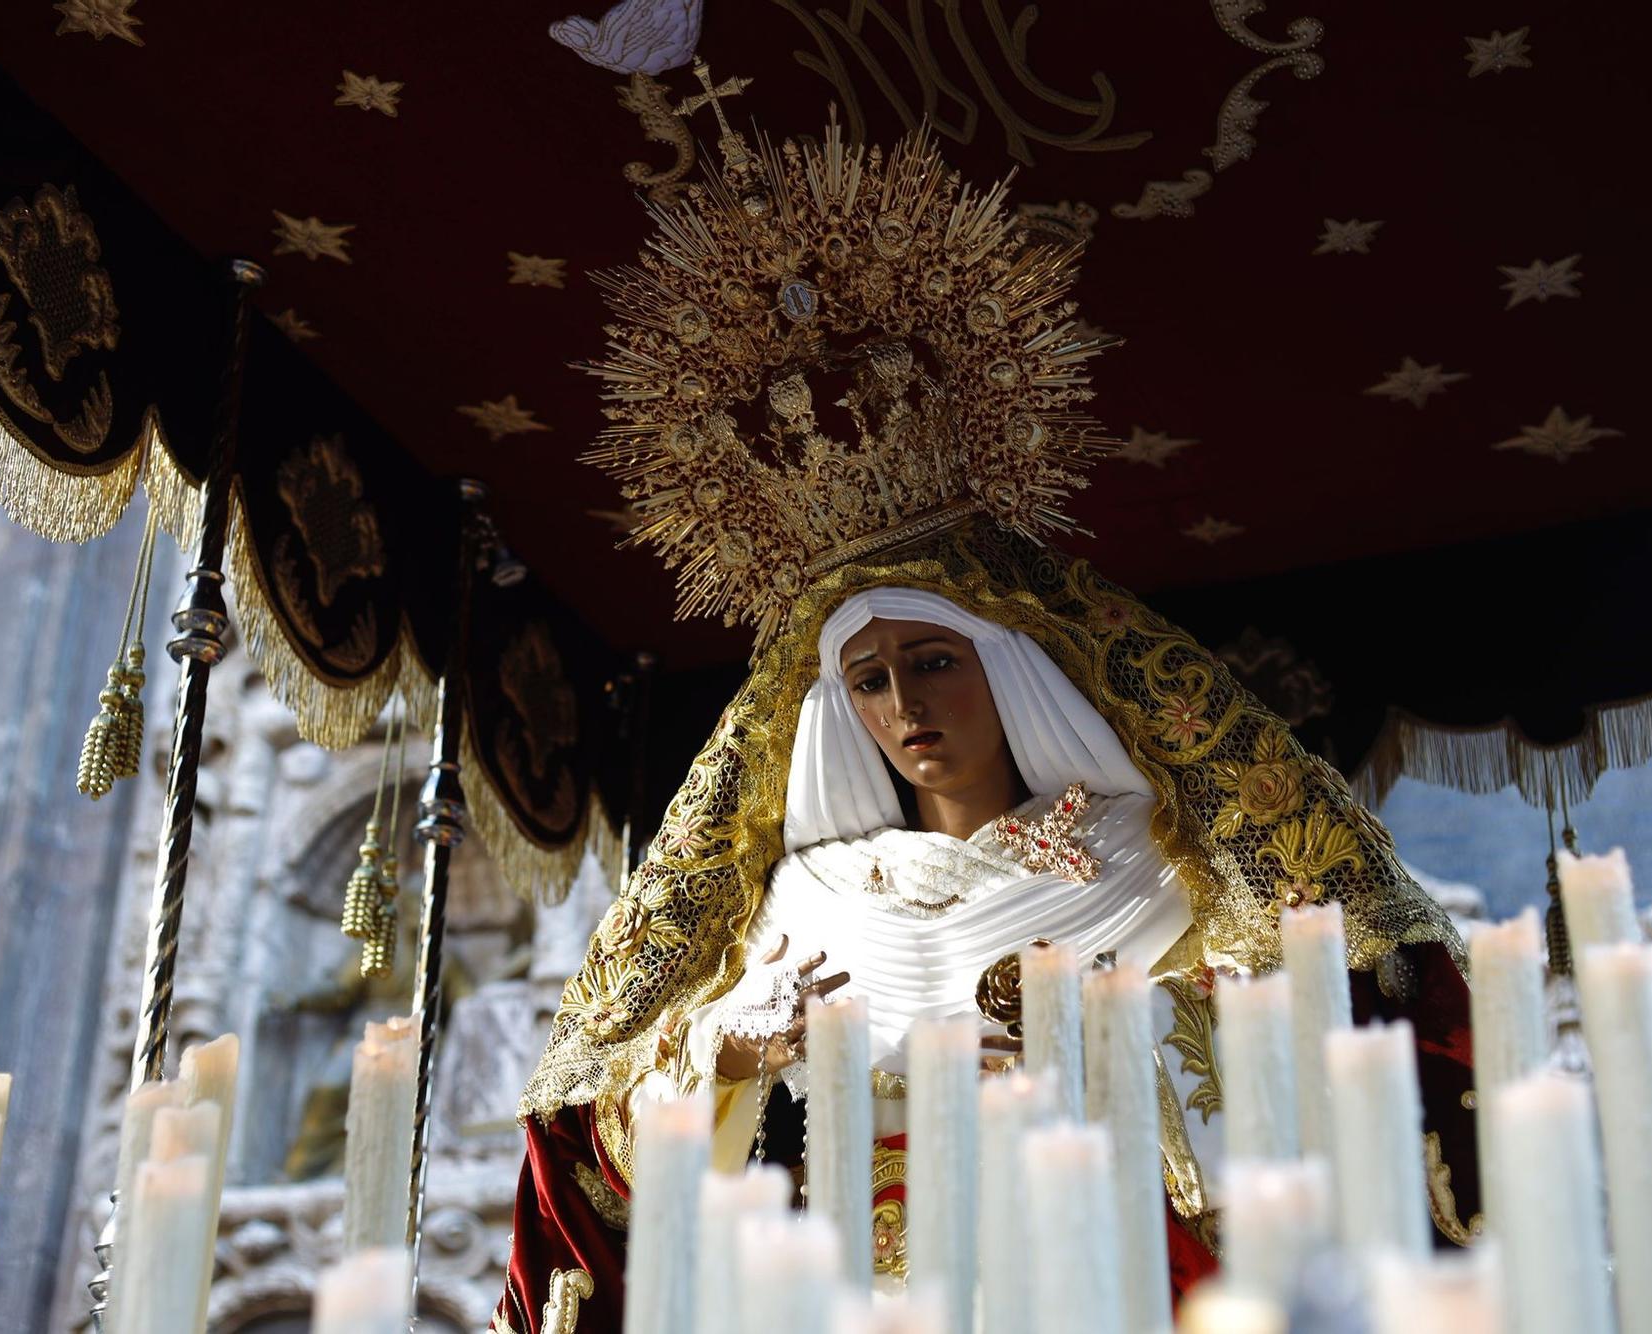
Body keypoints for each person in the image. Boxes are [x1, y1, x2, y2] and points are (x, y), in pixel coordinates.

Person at [491, 116, 1476, 1333]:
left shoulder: (1155, 853)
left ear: (1014, 668)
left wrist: (1101, 1036)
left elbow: (1332, 1069)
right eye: (867, 680)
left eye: (934, 659)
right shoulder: (800, 900)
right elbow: (602, 1178)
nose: (903, 704)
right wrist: (721, 1058)